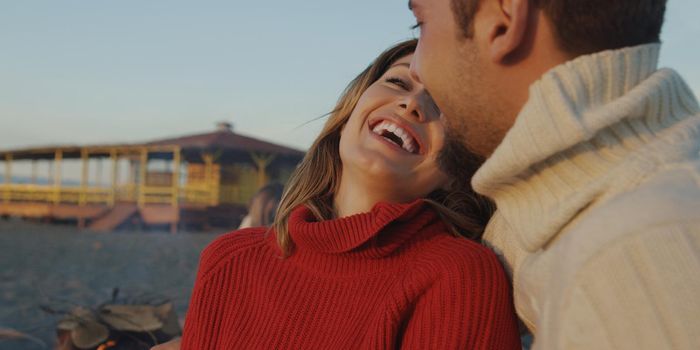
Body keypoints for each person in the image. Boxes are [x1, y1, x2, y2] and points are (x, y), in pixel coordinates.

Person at [154, 39, 521, 349]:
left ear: (458, 169)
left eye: (448, 106)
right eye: (398, 81)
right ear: (349, 113)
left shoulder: (459, 276)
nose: (413, 104)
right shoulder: (227, 260)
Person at [408, 0, 700, 348]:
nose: (415, 69)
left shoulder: (637, 252)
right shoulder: (537, 225)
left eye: (420, 24)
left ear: (504, 21)